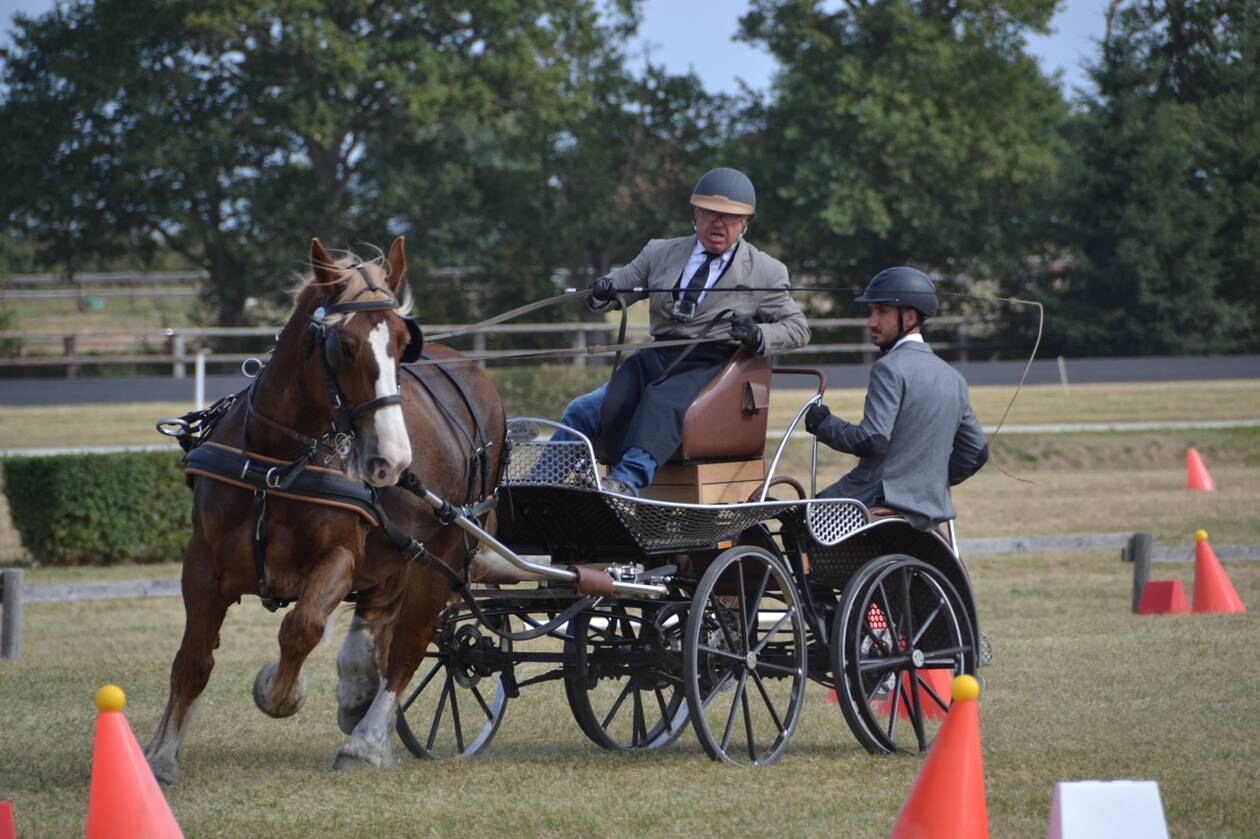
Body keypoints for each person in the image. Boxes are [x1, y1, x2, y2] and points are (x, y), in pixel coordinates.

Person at [556, 167, 810, 496]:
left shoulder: (766, 270)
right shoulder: (659, 253)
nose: (718, 224)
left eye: (730, 218)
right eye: (710, 214)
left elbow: (798, 329)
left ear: (745, 223)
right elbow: (623, 285)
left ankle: (625, 482)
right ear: (695, 214)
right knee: (584, 409)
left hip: (709, 366)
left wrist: (757, 334)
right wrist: (603, 291)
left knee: (660, 402)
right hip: (656, 355)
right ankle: (540, 481)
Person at [805, 266, 988, 531]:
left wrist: (823, 424)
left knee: (798, 520)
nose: (871, 322)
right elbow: (976, 452)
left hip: (872, 498)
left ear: (910, 316)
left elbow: (872, 440)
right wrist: (928, 484)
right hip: (927, 511)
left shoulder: (889, 367)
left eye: (882, 311)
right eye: (872, 312)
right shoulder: (953, 377)